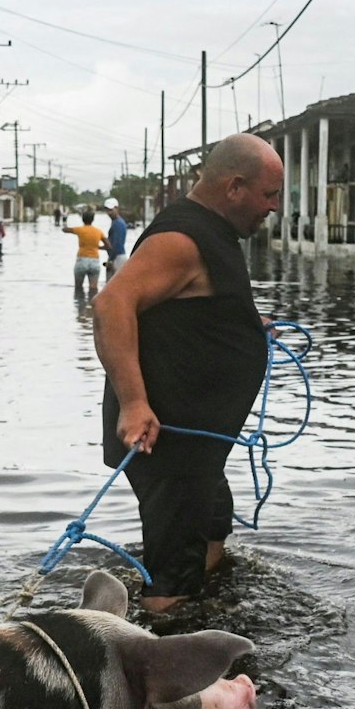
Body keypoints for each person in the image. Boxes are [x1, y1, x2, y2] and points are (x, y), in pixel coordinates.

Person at [93, 132, 284, 612]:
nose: (274, 206)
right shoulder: (182, 239)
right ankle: (165, 638)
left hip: (198, 443)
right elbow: (111, 304)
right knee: (173, 573)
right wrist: (134, 403)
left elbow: (190, 305)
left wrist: (244, 325)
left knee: (214, 522)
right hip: (166, 438)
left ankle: (207, 610)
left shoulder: (212, 231)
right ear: (234, 187)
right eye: (268, 194)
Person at [64, 208, 108, 298]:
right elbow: (108, 246)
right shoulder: (98, 231)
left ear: (82, 219)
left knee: (78, 288)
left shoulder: (80, 229)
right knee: (93, 290)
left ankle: (79, 304)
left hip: (82, 260)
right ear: (93, 219)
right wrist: (97, 247)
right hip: (94, 261)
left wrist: (65, 220)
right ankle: (91, 305)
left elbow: (65, 230)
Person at [102, 197, 130, 279]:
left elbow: (117, 244)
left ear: (117, 208)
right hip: (116, 256)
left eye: (111, 210)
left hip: (117, 257)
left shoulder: (118, 224)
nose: (109, 212)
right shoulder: (116, 222)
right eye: (107, 210)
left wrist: (111, 260)